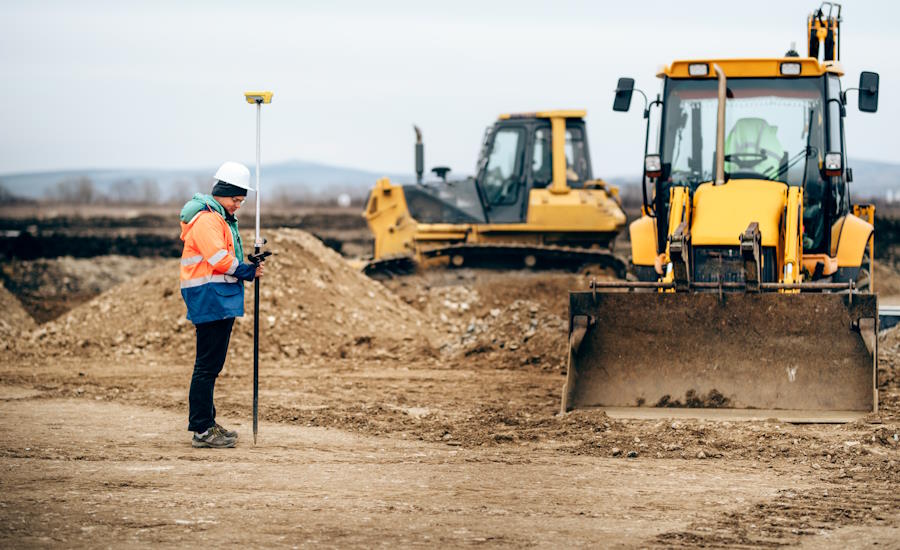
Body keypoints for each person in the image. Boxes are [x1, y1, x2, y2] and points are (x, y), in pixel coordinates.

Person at [179, 161, 264, 448]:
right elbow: (218, 259)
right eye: (236, 199)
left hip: (217, 297)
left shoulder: (220, 218)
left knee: (212, 365)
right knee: (206, 366)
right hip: (208, 297)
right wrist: (247, 271)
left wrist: (246, 265)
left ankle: (208, 423)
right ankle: (202, 429)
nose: (239, 205)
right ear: (223, 193)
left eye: (242, 200)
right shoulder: (207, 220)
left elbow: (226, 256)